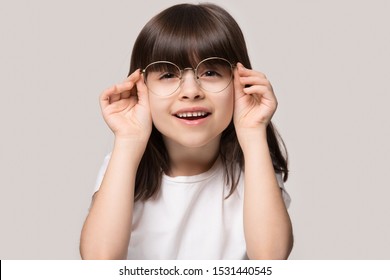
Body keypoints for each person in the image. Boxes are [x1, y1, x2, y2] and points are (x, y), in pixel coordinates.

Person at [80, 3, 293, 260]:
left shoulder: (255, 168)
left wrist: (253, 131)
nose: (191, 91)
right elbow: (99, 262)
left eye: (211, 72)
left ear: (240, 82)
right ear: (141, 87)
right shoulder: (124, 168)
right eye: (168, 74)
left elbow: (270, 261)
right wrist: (128, 139)